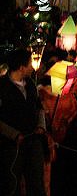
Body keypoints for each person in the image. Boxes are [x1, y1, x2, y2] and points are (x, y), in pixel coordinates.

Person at [0, 48, 47, 196]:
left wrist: (41, 126)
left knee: (36, 183)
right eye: (29, 64)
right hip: (11, 146)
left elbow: (39, 108)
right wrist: (14, 134)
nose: (32, 67)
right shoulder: (2, 87)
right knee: (12, 183)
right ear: (21, 67)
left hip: (33, 142)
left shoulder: (31, 84)